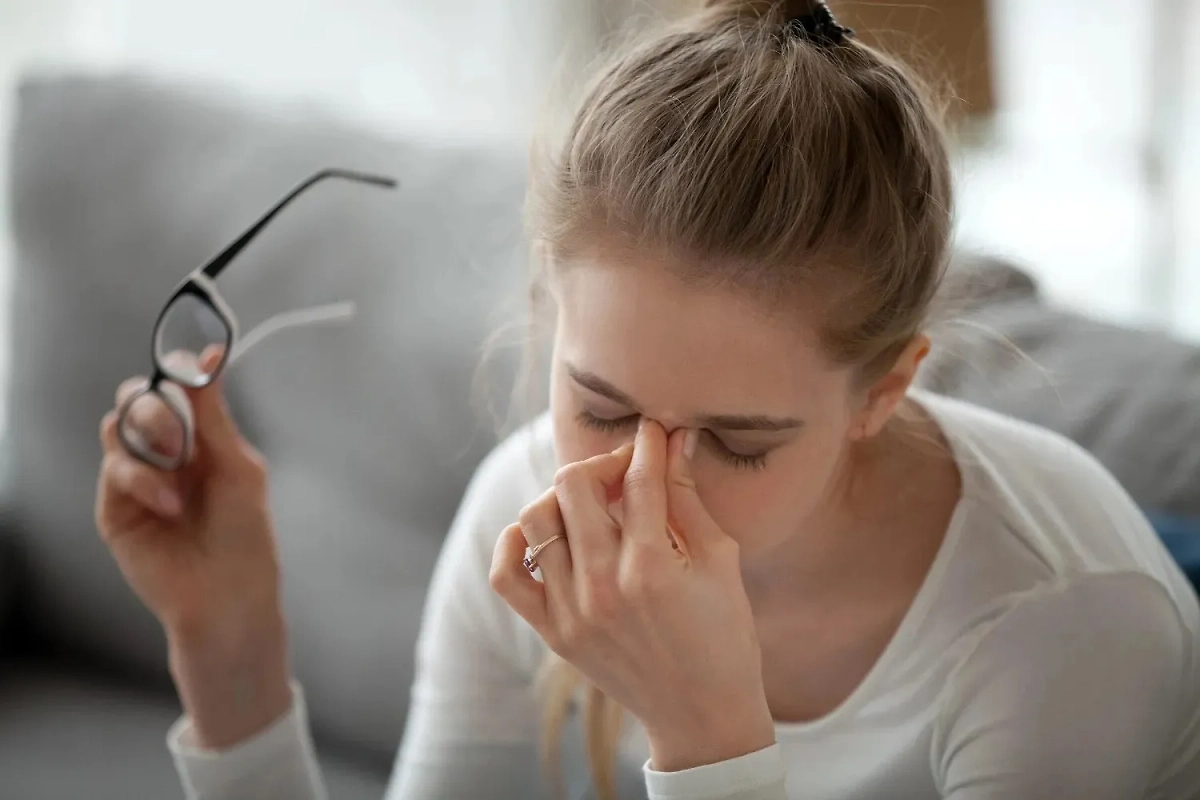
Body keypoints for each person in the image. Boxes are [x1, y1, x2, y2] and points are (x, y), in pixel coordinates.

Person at [94, 1, 1200, 798]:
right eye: (604, 406)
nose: (640, 485)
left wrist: (709, 731)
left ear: (884, 389)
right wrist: (227, 639)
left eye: (736, 439)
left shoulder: (1063, 626)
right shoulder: (523, 507)